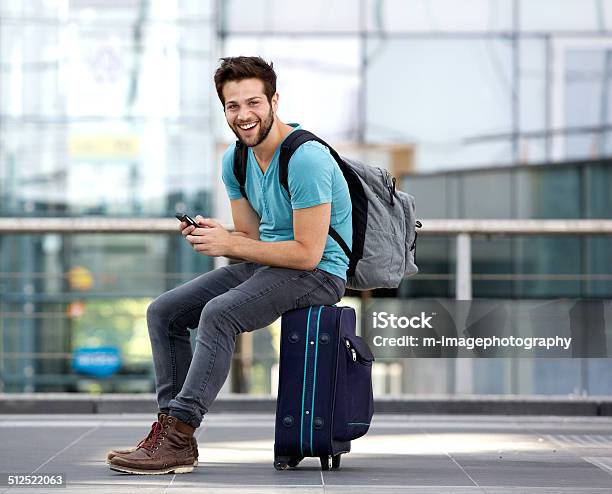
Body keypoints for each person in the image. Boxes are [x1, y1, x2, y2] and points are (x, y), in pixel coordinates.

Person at [107, 56, 352, 475]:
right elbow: (253, 242)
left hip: (320, 274)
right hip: (271, 266)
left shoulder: (306, 159)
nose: (244, 115)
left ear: (275, 100)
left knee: (218, 313)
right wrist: (219, 236)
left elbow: (308, 254)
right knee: (163, 312)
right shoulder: (234, 160)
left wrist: (231, 244)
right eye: (232, 106)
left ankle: (180, 434)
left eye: (253, 102)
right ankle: (168, 432)